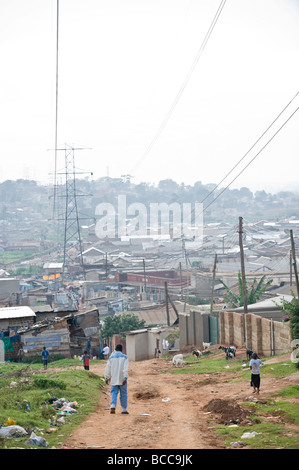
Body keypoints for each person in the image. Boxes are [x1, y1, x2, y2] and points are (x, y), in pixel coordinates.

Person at [104, 344, 129, 414]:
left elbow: (108, 368)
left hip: (114, 379)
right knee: (123, 394)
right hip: (122, 379)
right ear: (122, 350)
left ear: (115, 349)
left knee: (113, 393)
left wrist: (107, 377)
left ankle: (113, 406)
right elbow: (125, 369)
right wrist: (125, 378)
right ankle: (123, 409)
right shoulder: (125, 357)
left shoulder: (111, 357)